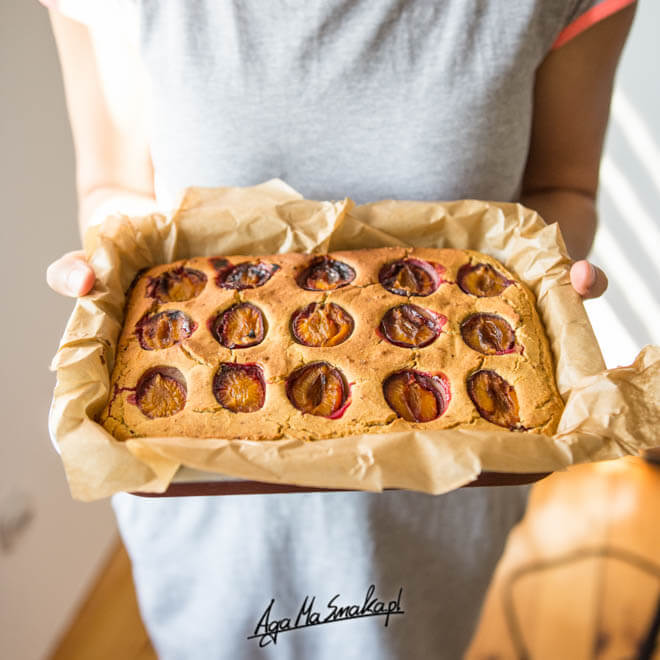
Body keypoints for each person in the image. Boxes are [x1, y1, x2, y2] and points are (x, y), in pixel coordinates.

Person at [43, 1, 635, 658]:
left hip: (443, 489)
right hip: (200, 496)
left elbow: (562, 187)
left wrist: (553, 276)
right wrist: (105, 265)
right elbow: (115, 186)